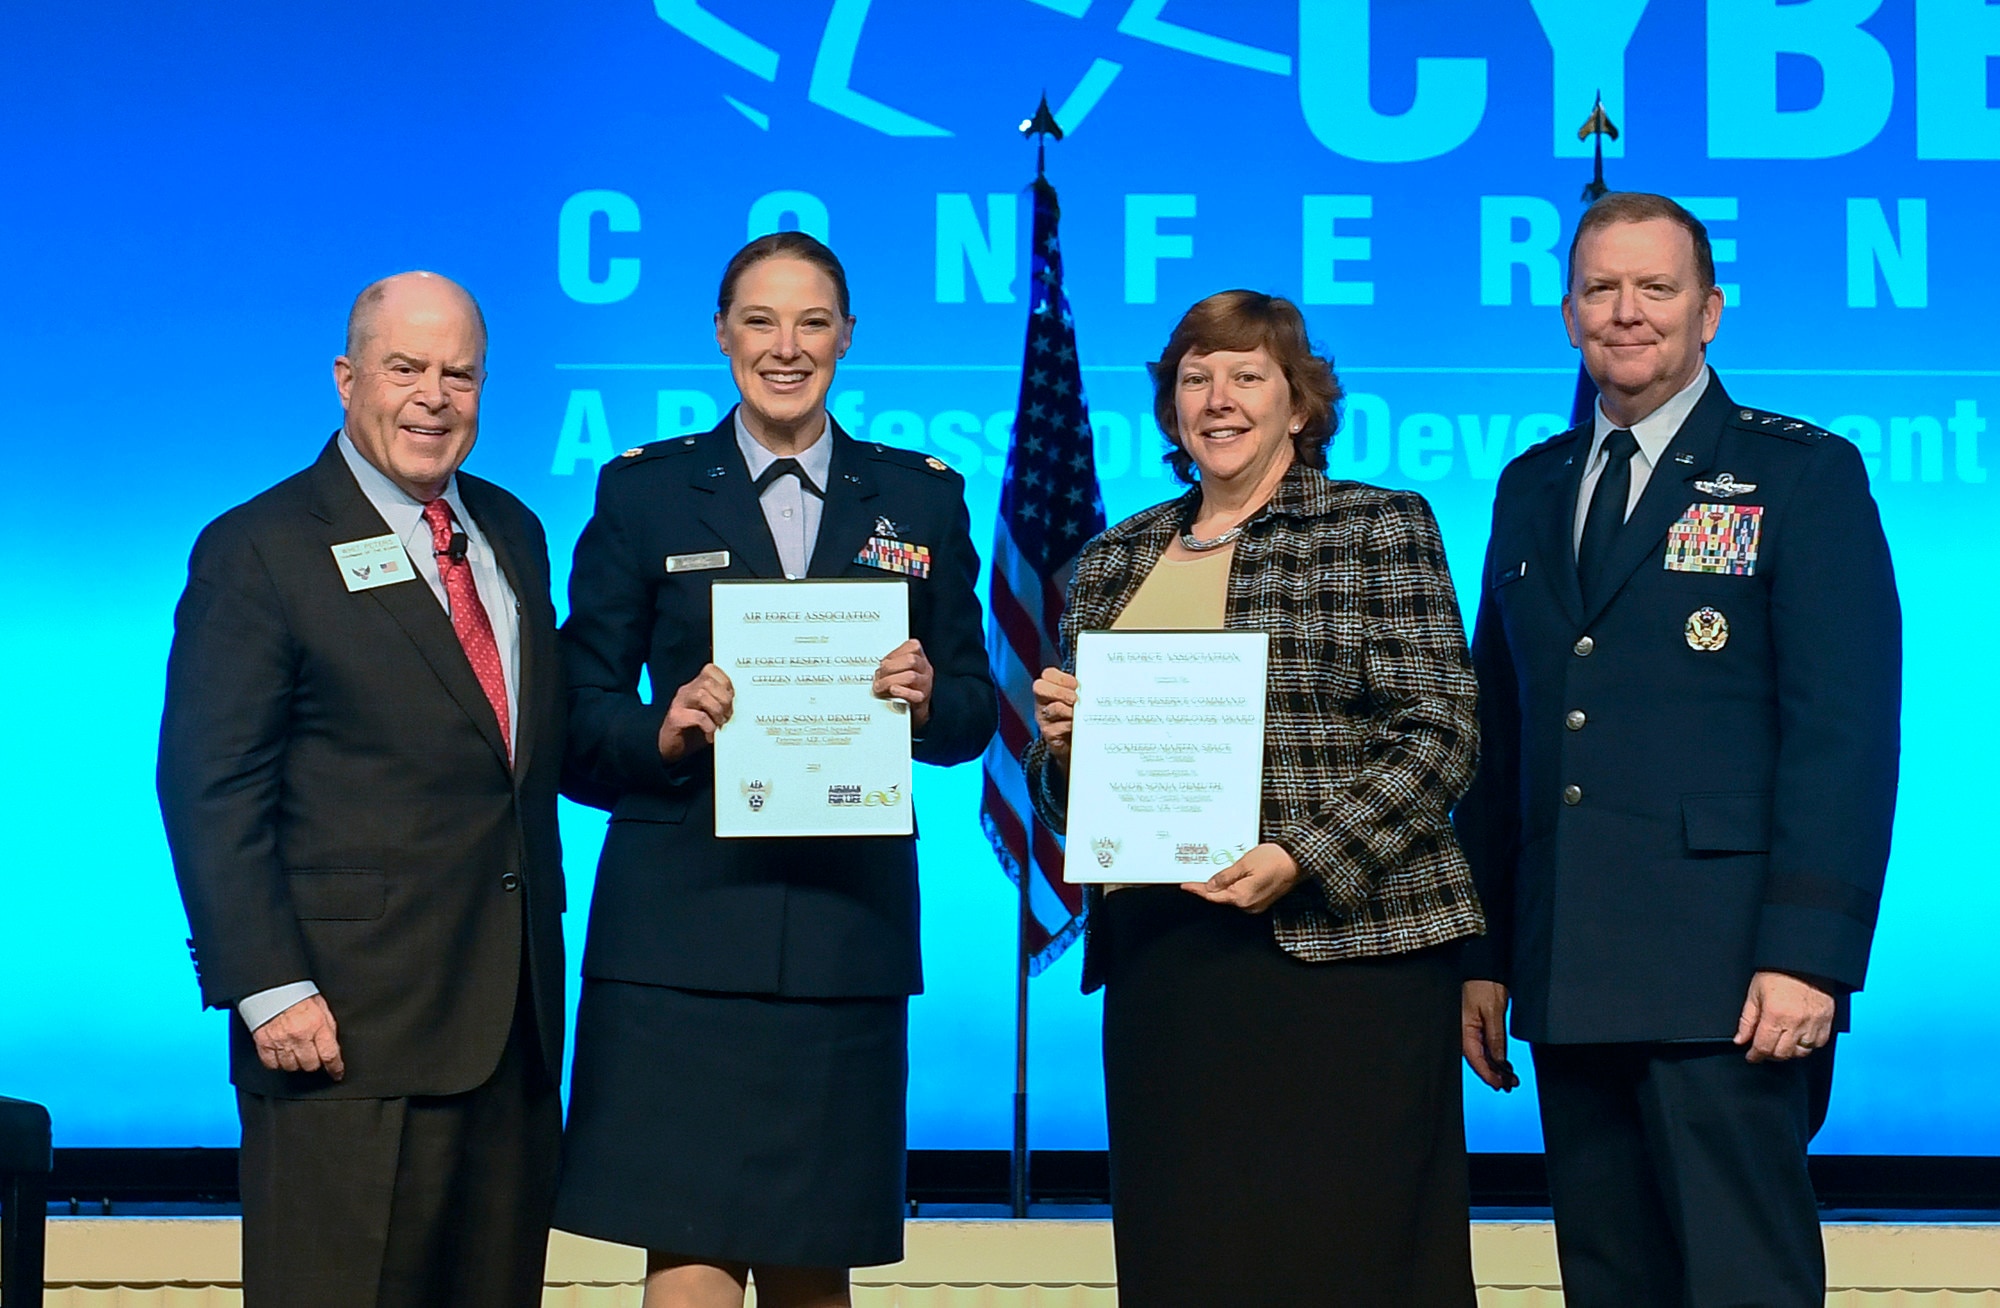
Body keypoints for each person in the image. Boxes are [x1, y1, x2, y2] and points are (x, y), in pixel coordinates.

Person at [1455, 193, 1901, 1308]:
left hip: (1729, 977)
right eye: (1601, 289)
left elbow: (1842, 734)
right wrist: (1485, 948)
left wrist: (1809, 956)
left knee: (1740, 1281)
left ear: (1707, 311)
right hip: (1566, 969)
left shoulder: (1800, 476)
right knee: (1609, 1283)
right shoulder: (1530, 484)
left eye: (1655, 289)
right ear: (1566, 315)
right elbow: (1499, 735)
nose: (1626, 313)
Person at [554, 231, 996, 1308]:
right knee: (685, 1246)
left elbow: (980, 710)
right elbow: (572, 720)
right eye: (760, 320)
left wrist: (929, 698)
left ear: (847, 336)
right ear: (721, 335)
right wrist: (662, 731)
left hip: (843, 930)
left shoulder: (922, 499)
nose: (784, 347)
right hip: (678, 931)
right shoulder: (644, 495)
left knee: (813, 1254)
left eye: (810, 322)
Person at [1025, 290, 1485, 1307]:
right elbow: (1074, 806)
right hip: (1168, 972)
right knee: (1188, 1261)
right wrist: (1064, 752)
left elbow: (1440, 731)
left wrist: (1302, 857)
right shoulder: (1114, 559)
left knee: (1350, 1261)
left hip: (1341, 964)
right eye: (1195, 377)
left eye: (1245, 376)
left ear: (1298, 402)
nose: (1217, 399)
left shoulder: (1375, 526)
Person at [158, 272, 567, 1308]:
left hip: (507, 1033)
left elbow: (521, 760)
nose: (434, 395)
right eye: (406, 368)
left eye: (460, 374)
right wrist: (268, 986)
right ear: (348, 380)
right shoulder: (259, 548)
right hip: (342, 1034)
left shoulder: (512, 532)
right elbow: (209, 786)